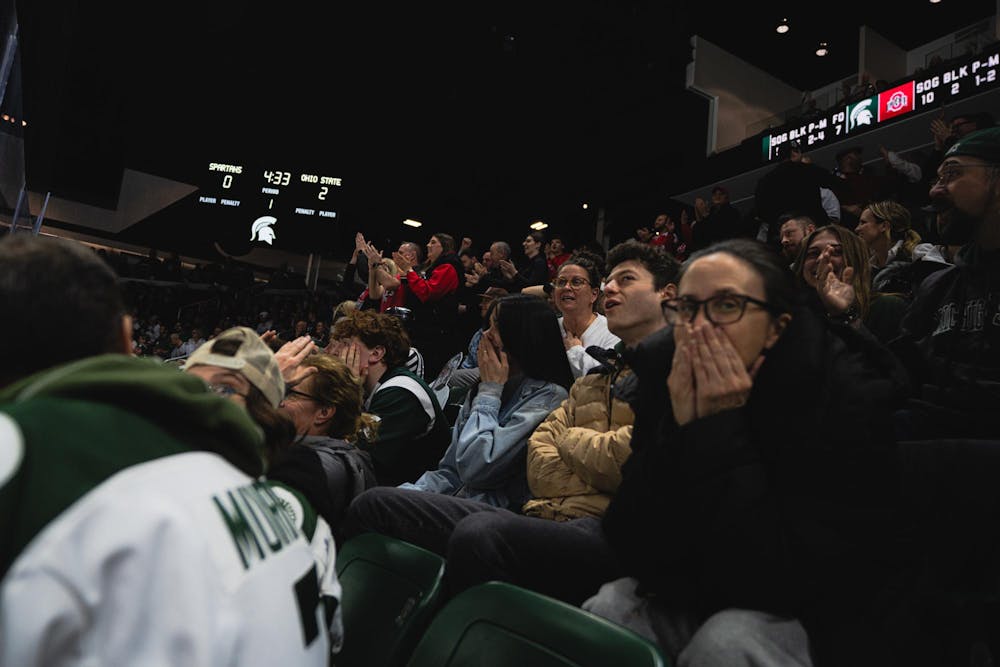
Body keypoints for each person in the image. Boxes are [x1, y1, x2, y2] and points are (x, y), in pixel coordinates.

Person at [0, 235, 339, 665]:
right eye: (192, 381)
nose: (199, 396)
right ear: (127, 343)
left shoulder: (36, 453)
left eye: (223, 387)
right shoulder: (290, 516)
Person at [584, 238, 913, 667]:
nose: (699, 326)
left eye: (726, 306)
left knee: (728, 640)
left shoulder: (844, 397)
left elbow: (786, 578)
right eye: (687, 308)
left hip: (823, 616)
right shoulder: (670, 380)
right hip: (708, 585)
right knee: (612, 606)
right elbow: (629, 539)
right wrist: (678, 432)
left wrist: (716, 429)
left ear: (776, 326)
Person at [441, 238, 681, 605]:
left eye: (626, 279)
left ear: (669, 294)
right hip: (547, 512)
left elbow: (629, 459)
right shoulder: (594, 379)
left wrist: (568, 443)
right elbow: (540, 463)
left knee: (477, 534)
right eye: (609, 280)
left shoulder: (677, 373)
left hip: (607, 526)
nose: (611, 288)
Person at [341, 294, 573, 537]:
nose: (486, 335)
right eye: (488, 326)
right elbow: (450, 471)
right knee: (371, 502)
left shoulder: (548, 397)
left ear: (523, 337)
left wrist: (490, 392)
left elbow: (477, 468)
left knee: (371, 504)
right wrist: (409, 492)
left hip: (492, 519)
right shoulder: (484, 388)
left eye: (497, 327)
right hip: (454, 500)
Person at [329, 309, 451, 487]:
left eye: (346, 344)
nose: (335, 352)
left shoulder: (401, 392)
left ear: (376, 353)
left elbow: (354, 457)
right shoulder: (374, 387)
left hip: (421, 493)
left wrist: (347, 391)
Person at [269, 353, 378, 541]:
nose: (278, 400)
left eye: (290, 392)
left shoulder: (323, 466)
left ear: (324, 412)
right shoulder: (322, 452)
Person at [793, 224, 909, 344]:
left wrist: (846, 316)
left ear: (856, 261)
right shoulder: (792, 315)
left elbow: (890, 361)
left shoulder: (887, 307)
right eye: (813, 253)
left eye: (836, 252)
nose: (822, 258)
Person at [393, 232, 464, 379]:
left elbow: (428, 292)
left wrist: (409, 270)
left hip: (435, 335)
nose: (428, 245)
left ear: (444, 246)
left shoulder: (449, 266)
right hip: (426, 329)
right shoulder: (435, 266)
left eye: (433, 242)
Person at [553, 250, 621, 378]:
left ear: (594, 294)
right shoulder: (548, 328)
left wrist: (575, 351)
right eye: (561, 282)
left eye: (576, 282)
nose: (566, 287)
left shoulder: (611, 332)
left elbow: (603, 380)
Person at [853, 199, 923, 290]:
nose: (857, 229)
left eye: (863, 222)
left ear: (884, 226)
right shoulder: (866, 266)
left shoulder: (919, 255)